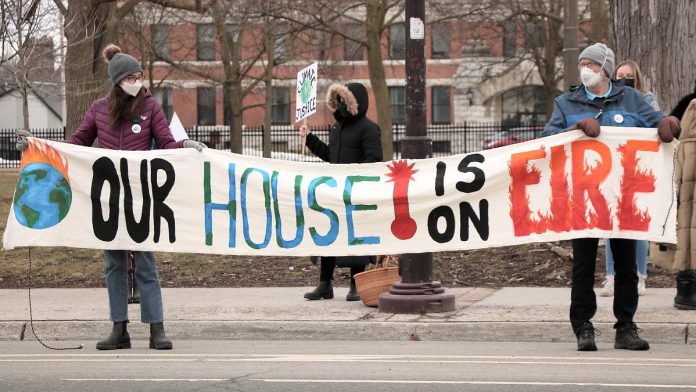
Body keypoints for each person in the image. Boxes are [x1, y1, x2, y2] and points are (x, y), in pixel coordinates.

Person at [16, 44, 207, 350]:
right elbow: (75, 144)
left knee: (145, 260)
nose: (138, 81)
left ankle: (156, 327)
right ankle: (120, 329)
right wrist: (36, 145)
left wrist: (184, 145)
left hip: (141, 198)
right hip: (108, 199)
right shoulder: (98, 110)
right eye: (132, 76)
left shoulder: (150, 107)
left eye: (140, 75)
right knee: (114, 264)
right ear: (118, 81)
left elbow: (167, 144)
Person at [542, 43, 681, 351]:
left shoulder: (631, 99)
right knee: (584, 265)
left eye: (590, 64)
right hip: (584, 198)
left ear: (605, 69)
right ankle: (583, 326)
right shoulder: (567, 102)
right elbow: (547, 140)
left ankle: (626, 327)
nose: (584, 69)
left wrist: (666, 124)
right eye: (582, 64)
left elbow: (656, 121)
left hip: (624, 196)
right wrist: (576, 128)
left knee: (626, 264)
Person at [298, 82, 383, 301]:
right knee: (329, 235)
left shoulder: (369, 128)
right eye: (338, 100)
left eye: (344, 99)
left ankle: (356, 284)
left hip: (356, 194)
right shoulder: (336, 129)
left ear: (355, 102)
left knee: (356, 239)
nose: (340, 104)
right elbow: (331, 156)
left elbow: (374, 159)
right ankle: (325, 284)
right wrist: (310, 139)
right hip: (335, 194)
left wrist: (353, 177)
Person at [601, 60, 659, 298]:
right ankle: (611, 277)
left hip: (638, 171)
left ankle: (639, 276)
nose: (624, 79)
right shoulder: (607, 101)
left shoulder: (646, 100)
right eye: (620, 75)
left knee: (638, 226)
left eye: (629, 76)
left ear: (638, 79)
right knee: (610, 225)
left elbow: (655, 127)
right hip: (611, 171)